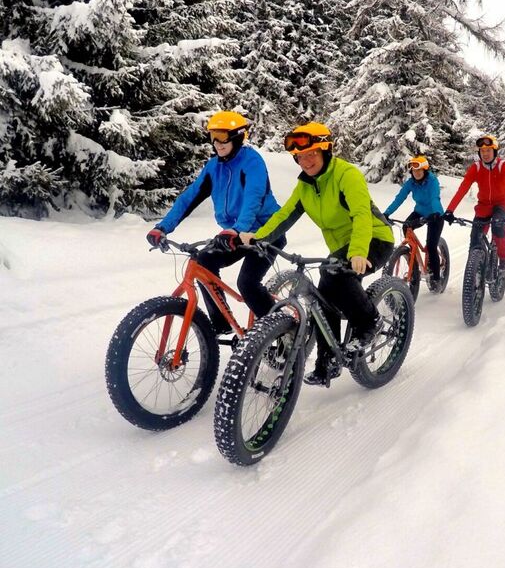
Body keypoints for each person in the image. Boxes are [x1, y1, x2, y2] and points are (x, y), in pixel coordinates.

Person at [239, 122, 395, 386]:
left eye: (311, 153)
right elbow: (285, 215)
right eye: (300, 156)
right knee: (323, 297)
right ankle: (328, 362)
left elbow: (361, 215)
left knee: (332, 274)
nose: (306, 161)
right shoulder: (305, 186)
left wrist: (358, 251)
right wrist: (259, 237)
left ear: (325, 150)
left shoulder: (347, 175)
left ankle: (370, 322)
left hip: (374, 239)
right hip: (341, 248)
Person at [145, 111, 285, 334]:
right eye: (213, 136)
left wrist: (237, 229)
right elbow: (189, 197)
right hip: (234, 233)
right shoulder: (214, 167)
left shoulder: (252, 161)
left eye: (222, 136)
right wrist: (163, 227)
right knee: (203, 262)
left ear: (237, 137)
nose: (217, 143)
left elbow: (254, 198)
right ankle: (221, 326)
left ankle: (282, 332)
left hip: (266, 231)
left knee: (247, 284)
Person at [442, 134, 505, 270]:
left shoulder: (503, 166)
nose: (485, 154)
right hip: (483, 206)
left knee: (498, 226)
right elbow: (462, 189)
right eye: (482, 151)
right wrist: (449, 210)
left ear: (494, 151)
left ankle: (504, 257)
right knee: (475, 238)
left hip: (501, 205)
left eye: (488, 150)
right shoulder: (476, 168)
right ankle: (474, 270)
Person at [383, 155, 445, 291]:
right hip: (420, 212)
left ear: (425, 170)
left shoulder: (432, 181)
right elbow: (399, 198)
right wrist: (386, 213)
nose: (416, 173)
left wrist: (435, 213)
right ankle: (412, 258)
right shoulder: (411, 183)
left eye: (419, 170)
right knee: (406, 226)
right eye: (413, 170)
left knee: (431, 246)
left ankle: (436, 278)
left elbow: (434, 198)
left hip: (435, 215)